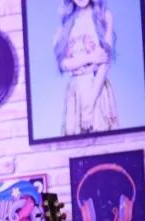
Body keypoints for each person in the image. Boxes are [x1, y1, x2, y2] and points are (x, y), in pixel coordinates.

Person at [54, 0, 119, 136]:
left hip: (96, 89)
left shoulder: (104, 16)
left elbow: (105, 63)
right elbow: (63, 64)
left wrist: (89, 107)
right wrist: (89, 58)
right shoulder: (67, 22)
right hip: (75, 92)